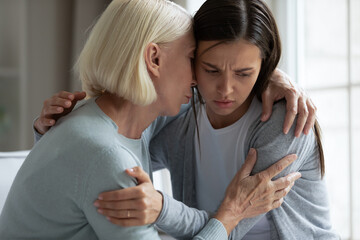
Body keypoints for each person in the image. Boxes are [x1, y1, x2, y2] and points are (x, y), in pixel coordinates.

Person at [0, 0, 300, 239]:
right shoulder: (109, 155)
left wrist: (270, 74)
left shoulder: (108, 124)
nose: (197, 79)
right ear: (154, 59)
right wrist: (230, 214)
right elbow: (91, 165)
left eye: (242, 73)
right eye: (192, 59)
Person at [85, 0, 339, 239]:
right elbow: (112, 150)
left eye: (243, 73)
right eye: (211, 70)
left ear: (264, 65)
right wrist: (57, 126)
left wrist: (162, 208)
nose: (225, 89)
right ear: (192, 60)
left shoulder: (284, 123)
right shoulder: (181, 120)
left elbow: (232, 228)